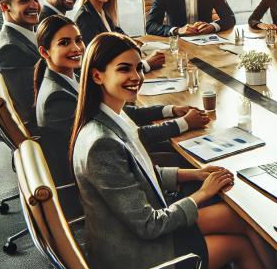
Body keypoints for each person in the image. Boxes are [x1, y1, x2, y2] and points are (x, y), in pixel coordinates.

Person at [70, 33, 277, 269]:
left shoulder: (113, 117)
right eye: (124, 69)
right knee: (239, 244)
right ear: (97, 76)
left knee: (243, 218)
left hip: (137, 237)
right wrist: (202, 194)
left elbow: (142, 177)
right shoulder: (101, 143)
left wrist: (194, 173)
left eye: (138, 67)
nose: (136, 76)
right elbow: (149, 225)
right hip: (138, 267)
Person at [34, 15, 208, 171]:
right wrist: (183, 123)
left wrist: (170, 110)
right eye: (64, 43)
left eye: (78, 40)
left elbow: (121, 114)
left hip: (112, 156)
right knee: (189, 156)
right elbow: (129, 136)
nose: (77, 48)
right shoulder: (56, 98)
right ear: (44, 52)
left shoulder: (72, 76)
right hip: (103, 168)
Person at [75, 0, 165, 72]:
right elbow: (99, 60)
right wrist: (145, 64)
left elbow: (116, 32)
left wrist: (132, 42)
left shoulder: (102, 12)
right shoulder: (85, 17)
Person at [0, 0, 41, 127]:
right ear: (5, 6)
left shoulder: (22, 38)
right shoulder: (10, 49)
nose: (34, 5)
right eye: (25, 0)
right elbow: (32, 105)